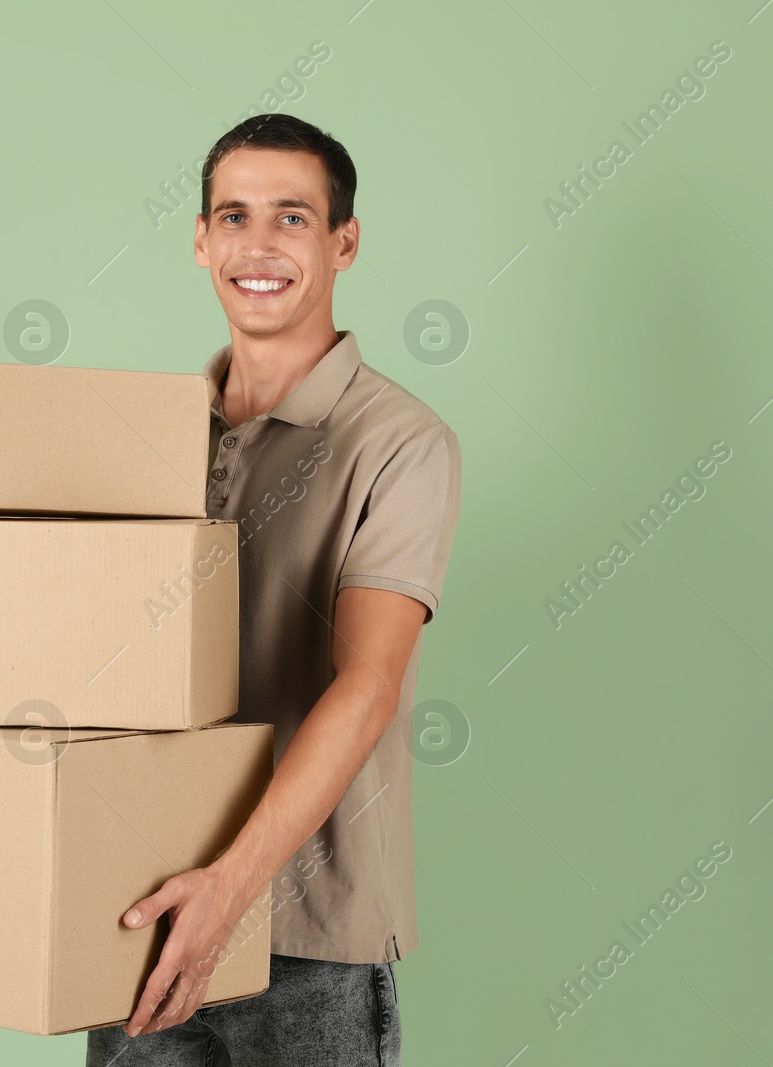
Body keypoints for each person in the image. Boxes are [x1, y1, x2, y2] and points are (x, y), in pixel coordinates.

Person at [86, 113, 462, 1067]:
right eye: (235, 215)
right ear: (201, 240)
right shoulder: (149, 440)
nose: (258, 245)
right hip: (145, 907)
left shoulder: (400, 442)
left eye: (291, 218)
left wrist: (231, 887)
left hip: (308, 940)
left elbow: (367, 684)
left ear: (344, 241)